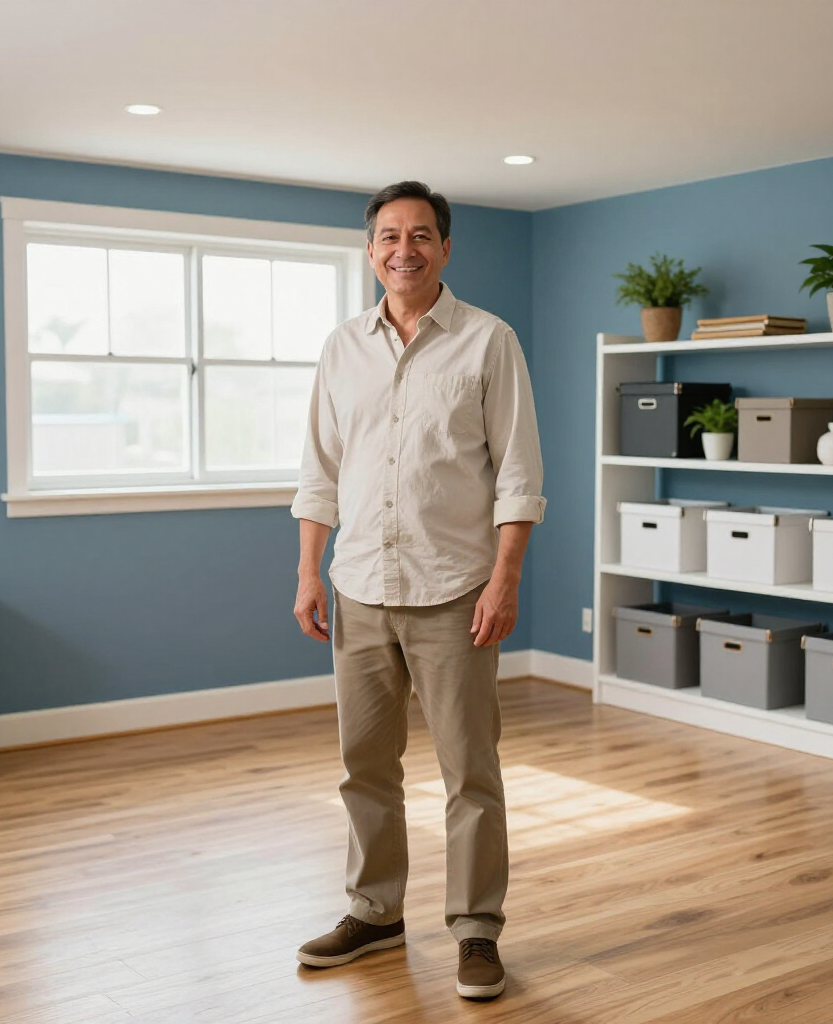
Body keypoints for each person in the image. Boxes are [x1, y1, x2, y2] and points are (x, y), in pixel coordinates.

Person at [291, 180, 545, 1001]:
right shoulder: (342, 347)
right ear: (370, 251)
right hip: (359, 586)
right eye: (390, 236)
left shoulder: (488, 342)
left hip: (454, 591)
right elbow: (320, 470)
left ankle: (476, 928)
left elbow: (518, 474)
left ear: (444, 248)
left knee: (470, 770)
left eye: (422, 235)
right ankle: (375, 911)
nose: (405, 249)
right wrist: (308, 571)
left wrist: (503, 580)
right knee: (363, 764)